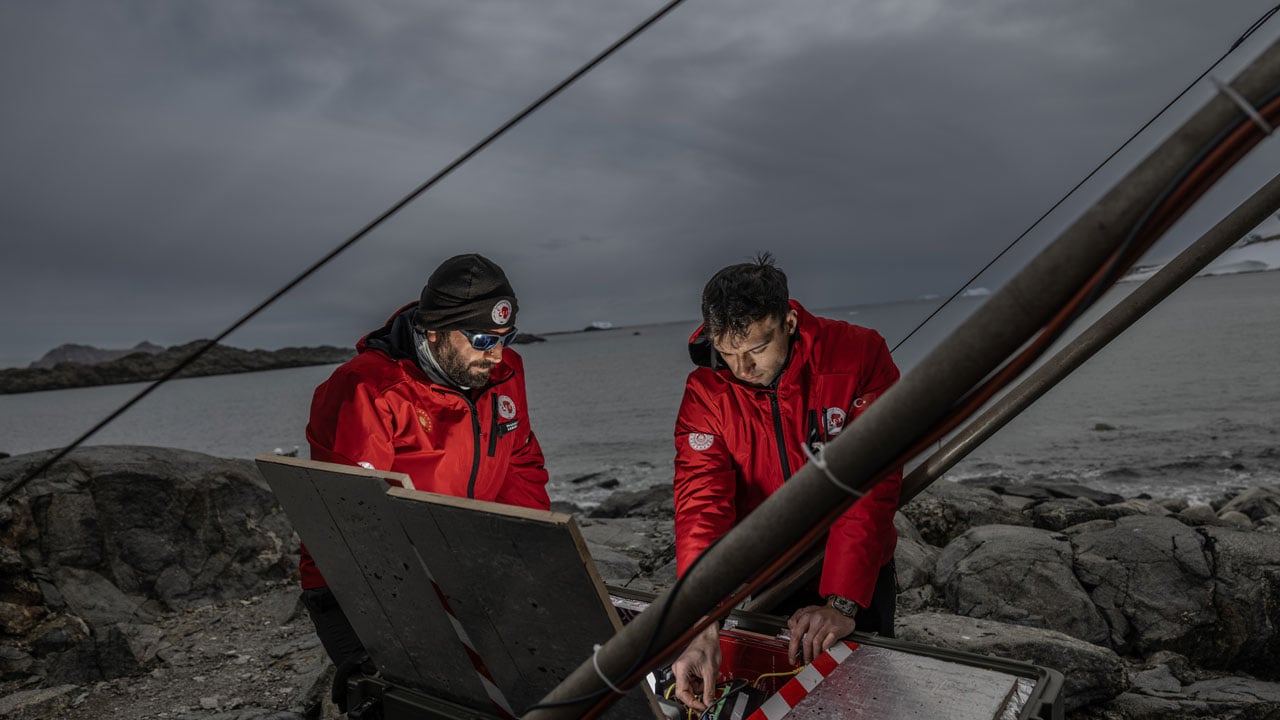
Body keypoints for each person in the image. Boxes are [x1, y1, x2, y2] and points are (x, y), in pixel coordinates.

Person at [298, 253, 550, 708]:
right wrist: (380, 643)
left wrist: (524, 557)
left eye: (504, 337)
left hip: (464, 565)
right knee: (420, 702)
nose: (495, 353)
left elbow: (520, 465)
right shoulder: (366, 391)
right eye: (480, 339)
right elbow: (354, 526)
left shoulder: (504, 370)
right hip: (362, 583)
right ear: (434, 331)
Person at [670, 253, 902, 711]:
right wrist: (701, 622)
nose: (743, 367)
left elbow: (871, 483)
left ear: (789, 320)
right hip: (770, 569)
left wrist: (842, 602)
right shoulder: (704, 392)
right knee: (775, 700)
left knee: (864, 701)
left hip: (859, 564)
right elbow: (702, 505)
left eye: (756, 349)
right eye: (729, 352)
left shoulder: (860, 354)